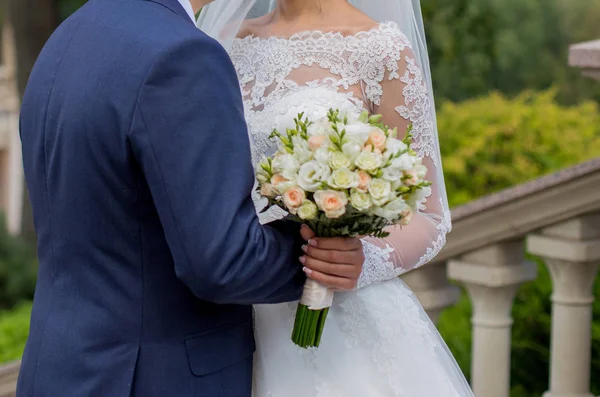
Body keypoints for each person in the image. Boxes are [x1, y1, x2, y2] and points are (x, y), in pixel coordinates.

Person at [16, 0, 365, 395]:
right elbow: (225, 262)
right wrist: (321, 256)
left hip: (60, 366)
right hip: (152, 376)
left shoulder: (70, 34)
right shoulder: (180, 55)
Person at [198, 0, 475, 395]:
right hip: (223, 307)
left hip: (337, 319)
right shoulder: (223, 42)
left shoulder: (379, 50)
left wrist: (362, 260)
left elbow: (429, 215)